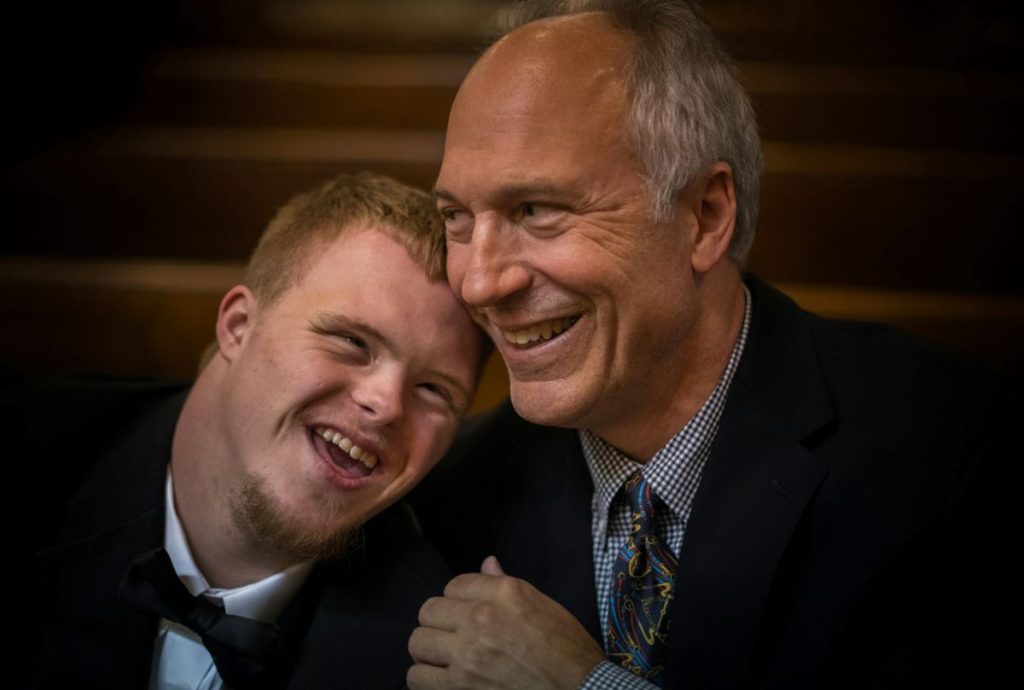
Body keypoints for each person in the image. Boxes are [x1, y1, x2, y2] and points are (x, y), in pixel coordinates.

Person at [406, 2, 1017, 689]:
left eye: (537, 211)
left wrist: (586, 685)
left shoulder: (948, 449)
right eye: (456, 216)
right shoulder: (452, 492)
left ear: (705, 216)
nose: (481, 281)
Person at [5, 172, 486, 689]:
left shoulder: (435, 649)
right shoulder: (27, 461)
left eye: (435, 390)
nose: (387, 404)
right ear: (238, 325)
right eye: (352, 341)